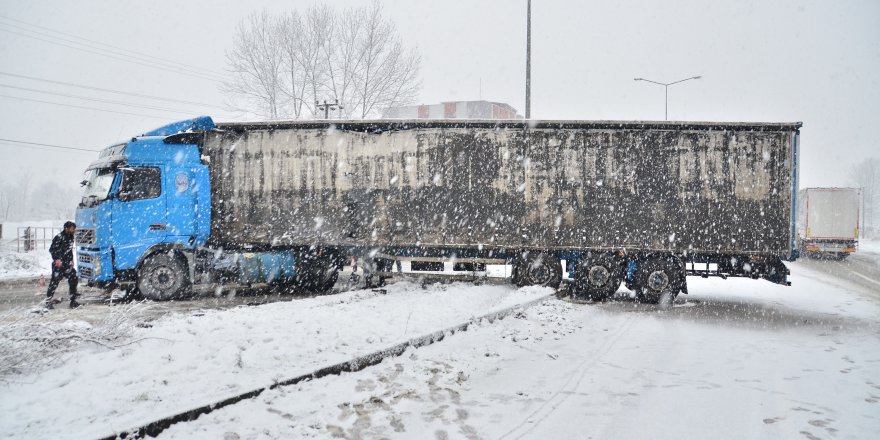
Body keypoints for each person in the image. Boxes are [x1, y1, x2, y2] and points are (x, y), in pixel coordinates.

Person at [45, 221, 79, 309]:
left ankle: (73, 301)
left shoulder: (71, 237)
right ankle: (48, 302)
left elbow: (69, 250)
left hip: (67, 264)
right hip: (59, 265)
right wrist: (57, 259)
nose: (73, 230)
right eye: (72, 229)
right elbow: (52, 249)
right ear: (66, 228)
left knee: (74, 279)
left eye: (74, 229)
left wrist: (71, 260)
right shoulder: (59, 237)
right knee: (54, 283)